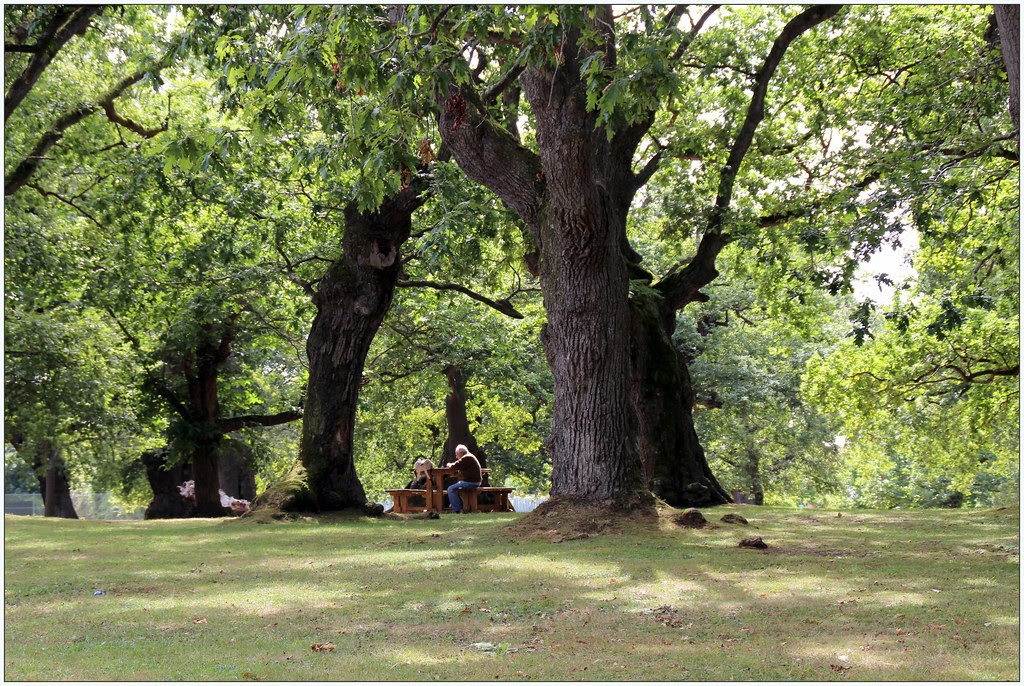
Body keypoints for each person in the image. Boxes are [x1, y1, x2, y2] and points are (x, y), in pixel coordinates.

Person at [446, 444, 482, 513]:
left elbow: (454, 466)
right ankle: (461, 506)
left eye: (457, 454)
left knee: (450, 489)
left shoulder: (467, 457)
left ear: (461, 453)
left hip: (472, 482)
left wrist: (448, 464)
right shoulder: (469, 456)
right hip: (473, 481)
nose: (456, 457)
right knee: (455, 488)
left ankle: (456, 509)